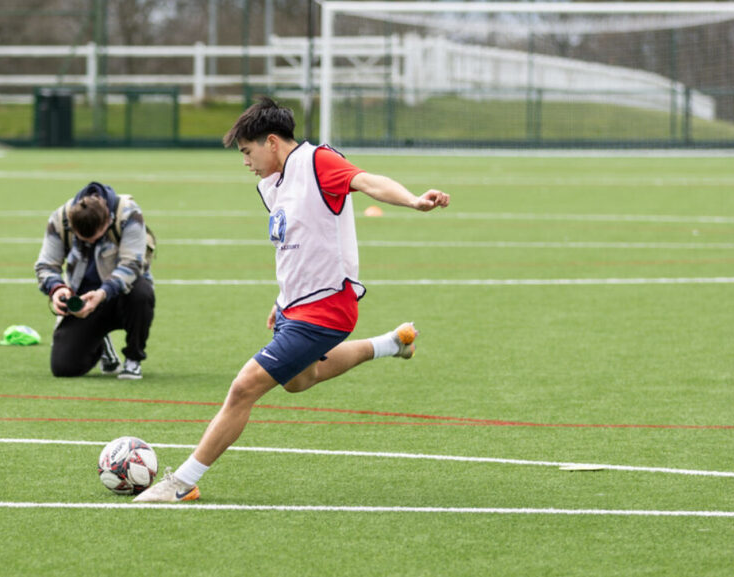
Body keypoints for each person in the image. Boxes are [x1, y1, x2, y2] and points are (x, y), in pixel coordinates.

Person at [134, 97, 450, 503]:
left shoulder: (317, 161)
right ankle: (393, 343)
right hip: (294, 307)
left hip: (327, 307)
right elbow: (296, 245)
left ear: (271, 142)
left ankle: (182, 483)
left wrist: (412, 200)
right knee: (301, 380)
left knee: (244, 386)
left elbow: (367, 182)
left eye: (247, 152)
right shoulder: (272, 184)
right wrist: (282, 298)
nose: (246, 161)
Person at [35, 182, 155, 380]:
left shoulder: (129, 213)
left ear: (108, 220)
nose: (89, 243)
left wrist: (103, 293)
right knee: (64, 368)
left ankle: (133, 358)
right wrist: (56, 289)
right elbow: (45, 265)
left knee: (141, 292)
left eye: (95, 238)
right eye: (83, 239)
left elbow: (132, 265)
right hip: (83, 295)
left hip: (123, 293)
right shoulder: (60, 218)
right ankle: (101, 343)